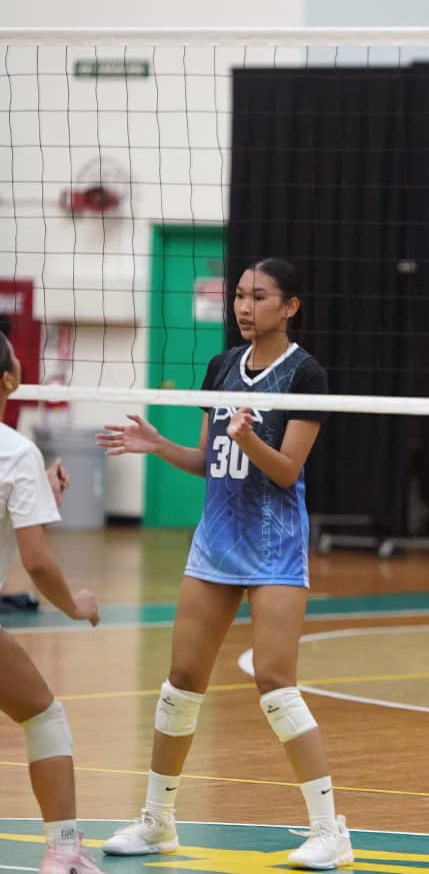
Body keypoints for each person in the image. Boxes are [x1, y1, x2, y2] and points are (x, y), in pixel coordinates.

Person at [96, 259, 349, 868]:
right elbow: (211, 459)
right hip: (215, 542)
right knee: (181, 682)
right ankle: (158, 820)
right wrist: (158, 446)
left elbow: (286, 470)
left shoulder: (304, 374)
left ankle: (329, 831)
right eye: (239, 295)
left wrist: (248, 439)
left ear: (289, 307)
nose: (244, 306)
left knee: (274, 684)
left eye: (259, 297)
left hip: (274, 546)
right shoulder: (220, 366)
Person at [0, 332, 105, 874]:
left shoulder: (20, 462)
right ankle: (63, 850)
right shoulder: (15, 451)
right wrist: (74, 605)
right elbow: (37, 562)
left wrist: (38, 491)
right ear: (10, 381)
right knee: (44, 715)